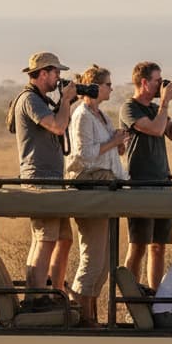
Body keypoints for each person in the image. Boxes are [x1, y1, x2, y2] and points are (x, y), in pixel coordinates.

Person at [65, 64, 129, 327]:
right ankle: (83, 314)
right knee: (93, 256)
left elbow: (110, 155)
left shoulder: (101, 115)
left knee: (102, 261)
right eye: (107, 84)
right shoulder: (82, 115)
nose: (111, 88)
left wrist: (118, 143)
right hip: (90, 186)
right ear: (95, 86)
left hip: (105, 185)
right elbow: (85, 156)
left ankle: (88, 313)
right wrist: (113, 143)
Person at [8, 51, 78, 293]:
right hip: (40, 179)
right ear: (43, 73)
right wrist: (67, 100)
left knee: (63, 238)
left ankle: (54, 292)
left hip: (52, 179)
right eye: (56, 72)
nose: (59, 77)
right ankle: (36, 299)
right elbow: (58, 126)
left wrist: (66, 102)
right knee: (45, 239)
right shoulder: (30, 99)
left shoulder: (42, 100)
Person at [120, 61, 172, 290]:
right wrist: (165, 103)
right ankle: (130, 295)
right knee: (138, 245)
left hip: (162, 182)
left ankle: (155, 296)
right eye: (158, 80)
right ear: (145, 82)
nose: (162, 85)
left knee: (158, 246)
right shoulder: (130, 108)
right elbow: (156, 129)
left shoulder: (155, 109)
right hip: (141, 183)